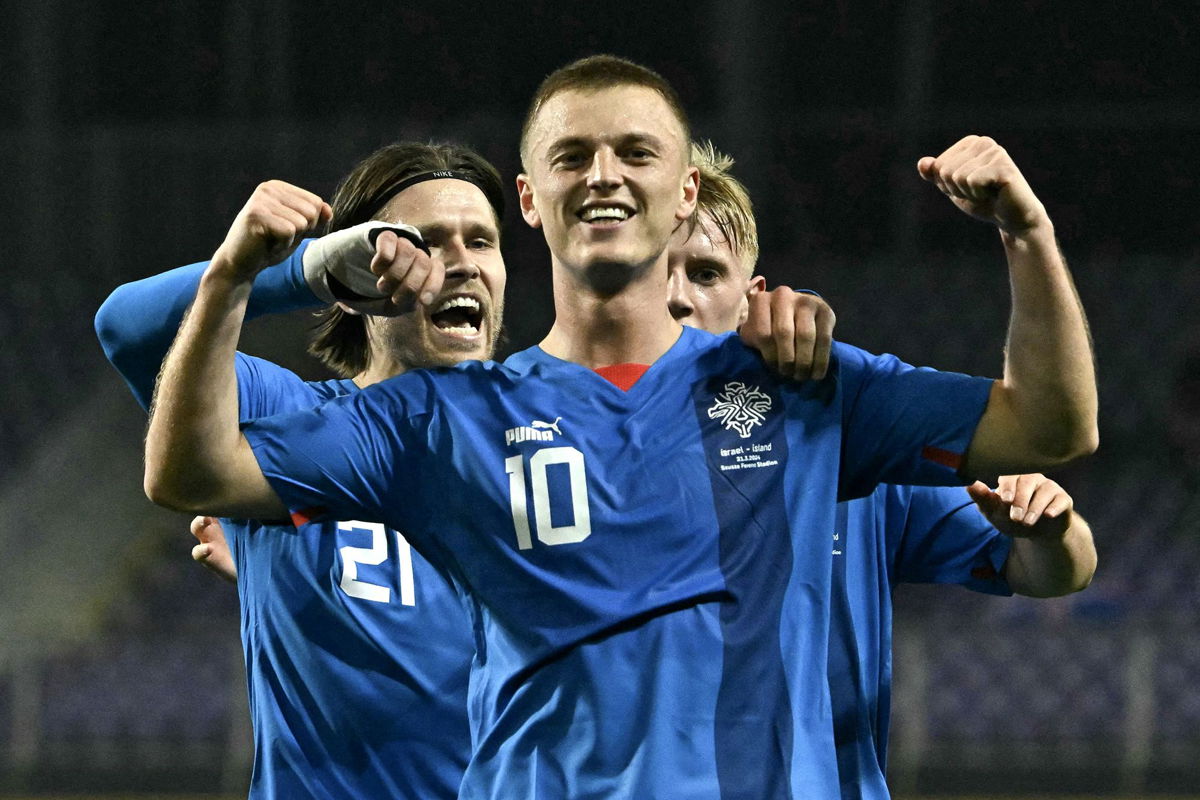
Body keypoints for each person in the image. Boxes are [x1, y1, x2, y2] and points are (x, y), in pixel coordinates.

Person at [141, 55, 1097, 798]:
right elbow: (191, 472)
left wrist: (1028, 234)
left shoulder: (800, 389)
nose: (604, 175)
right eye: (572, 156)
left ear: (684, 192)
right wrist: (234, 275)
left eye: (637, 153)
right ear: (530, 199)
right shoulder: (440, 417)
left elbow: (1051, 429)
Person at [670, 141, 1097, 798]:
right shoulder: (559, 443)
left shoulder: (834, 429)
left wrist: (1048, 529)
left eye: (704, 273)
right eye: (651, 272)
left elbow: (1051, 566)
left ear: (753, 298)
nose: (677, 299)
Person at [95, 141, 509, 799]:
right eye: (424, 243)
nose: (459, 263)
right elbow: (126, 328)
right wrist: (294, 272)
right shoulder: (290, 419)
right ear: (361, 281)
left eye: (481, 241)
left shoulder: (544, 442)